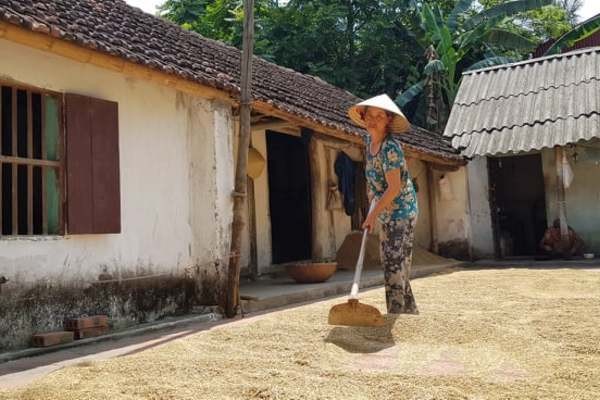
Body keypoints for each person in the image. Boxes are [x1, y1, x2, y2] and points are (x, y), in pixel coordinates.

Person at [347, 94, 419, 314]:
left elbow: (394, 187)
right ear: (363, 116)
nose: (373, 120)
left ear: (388, 120)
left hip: (402, 212)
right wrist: (373, 201)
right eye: (370, 115)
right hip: (386, 212)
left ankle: (395, 314)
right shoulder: (369, 143)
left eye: (379, 116)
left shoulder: (390, 148)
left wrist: (370, 216)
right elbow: (375, 181)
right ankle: (409, 313)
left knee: (395, 264)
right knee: (391, 262)